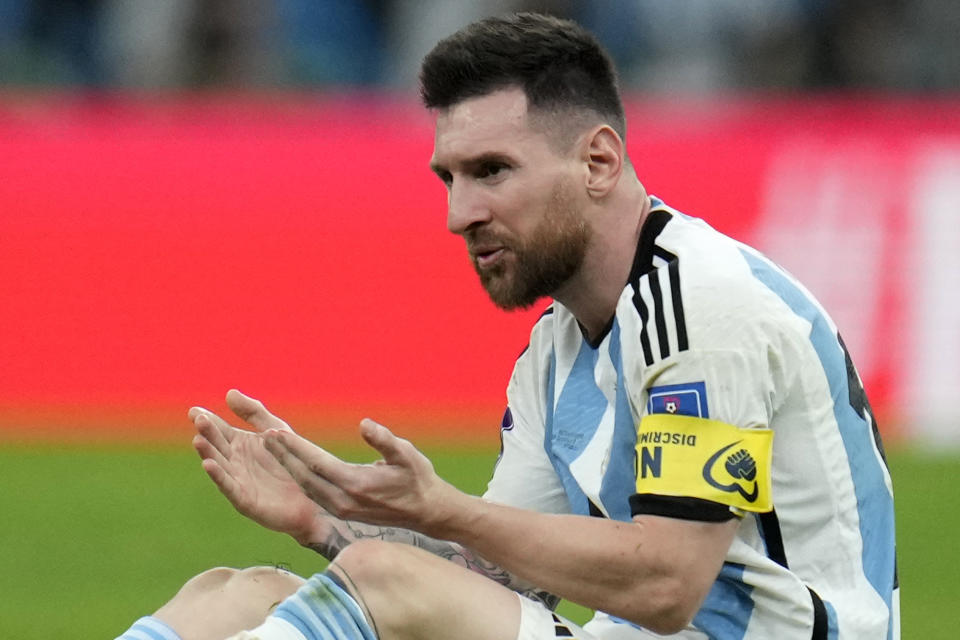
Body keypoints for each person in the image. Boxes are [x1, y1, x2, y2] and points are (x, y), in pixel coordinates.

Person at [115, 12, 898, 640]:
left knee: (387, 585)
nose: (460, 214)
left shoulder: (698, 302)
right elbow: (494, 574)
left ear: (597, 163)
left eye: (492, 171)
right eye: (448, 178)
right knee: (232, 594)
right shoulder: (556, 351)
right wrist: (321, 519)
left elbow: (666, 583)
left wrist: (439, 508)